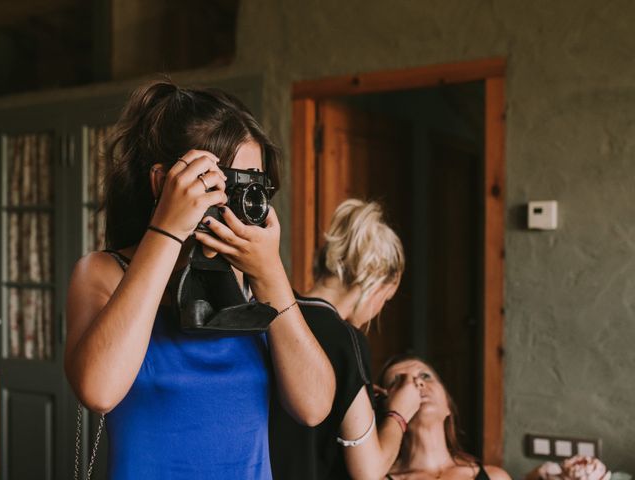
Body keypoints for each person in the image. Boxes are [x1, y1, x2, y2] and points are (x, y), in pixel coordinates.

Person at [64, 80, 335, 479]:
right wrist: (168, 232)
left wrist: (270, 273)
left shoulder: (252, 278)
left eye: (252, 185)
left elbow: (313, 406)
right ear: (164, 182)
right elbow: (98, 391)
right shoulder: (104, 273)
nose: (239, 201)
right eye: (223, 182)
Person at [270, 199, 423, 479]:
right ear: (375, 283)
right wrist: (399, 414)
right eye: (385, 300)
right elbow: (369, 470)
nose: (377, 310)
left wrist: (351, 394)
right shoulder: (345, 340)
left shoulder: (275, 307)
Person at [378, 354, 512, 480]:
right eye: (399, 381)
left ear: (447, 403)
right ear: (386, 409)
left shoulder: (495, 477)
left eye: (425, 376)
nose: (417, 382)